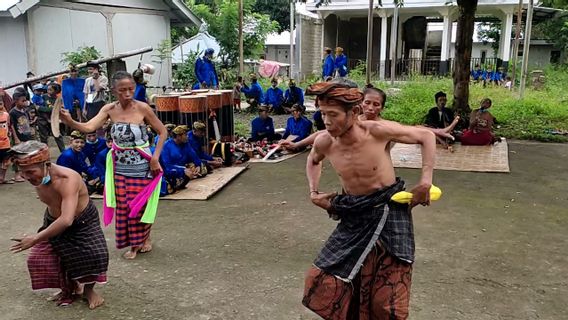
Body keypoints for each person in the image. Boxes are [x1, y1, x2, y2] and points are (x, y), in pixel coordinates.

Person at [300, 80, 436, 320]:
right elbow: (313, 161)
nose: (326, 121)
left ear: (354, 112)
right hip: (353, 214)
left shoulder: (377, 132)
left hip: (388, 211)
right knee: (325, 282)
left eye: (333, 114)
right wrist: (314, 193)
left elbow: (426, 136)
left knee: (386, 299)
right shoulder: (324, 141)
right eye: (322, 114)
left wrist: (425, 181)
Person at [59, 70, 168, 260]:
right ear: (113, 90)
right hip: (119, 166)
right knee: (125, 206)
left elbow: (163, 132)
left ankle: (143, 239)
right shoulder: (109, 109)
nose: (127, 94)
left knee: (141, 205)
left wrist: (155, 158)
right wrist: (69, 121)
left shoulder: (143, 108)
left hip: (143, 164)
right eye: (122, 90)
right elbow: (89, 127)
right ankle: (135, 243)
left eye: (131, 89)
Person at [9, 140, 108, 309]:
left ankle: (89, 291)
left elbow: (67, 219)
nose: (26, 177)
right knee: (39, 258)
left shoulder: (67, 179)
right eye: (22, 173)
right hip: (53, 219)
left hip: (82, 221)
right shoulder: (38, 178)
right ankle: (71, 287)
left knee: (95, 256)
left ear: (46, 164)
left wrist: (35, 238)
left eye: (30, 172)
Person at [161, 125, 207, 193]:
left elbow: (194, 156)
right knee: (169, 185)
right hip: (171, 170)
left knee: (203, 168)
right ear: (178, 136)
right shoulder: (166, 146)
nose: (187, 136)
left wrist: (198, 165)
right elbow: (166, 166)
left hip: (183, 166)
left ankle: (188, 175)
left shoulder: (186, 144)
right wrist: (182, 170)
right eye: (185, 135)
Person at [37, 83, 65, 152]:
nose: (48, 91)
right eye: (48, 89)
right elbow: (38, 108)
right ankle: (44, 153)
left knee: (57, 135)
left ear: (56, 91)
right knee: (43, 138)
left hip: (53, 120)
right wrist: (50, 109)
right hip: (42, 119)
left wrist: (46, 109)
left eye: (50, 90)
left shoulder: (58, 100)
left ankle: (63, 151)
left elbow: (57, 109)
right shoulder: (44, 97)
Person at [0, 96, 13, 184]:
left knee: (6, 161)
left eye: (1, 103)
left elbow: (9, 126)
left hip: (5, 142)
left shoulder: (6, 115)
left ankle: (2, 178)